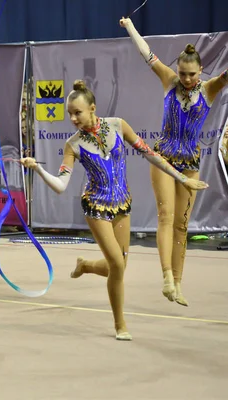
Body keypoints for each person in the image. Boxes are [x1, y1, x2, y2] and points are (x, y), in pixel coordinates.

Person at [21, 80, 208, 340]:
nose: (73, 118)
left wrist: (182, 178)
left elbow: (150, 154)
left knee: (117, 267)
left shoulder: (118, 126)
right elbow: (61, 185)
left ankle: (85, 265)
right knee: (117, 265)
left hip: (122, 204)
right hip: (96, 206)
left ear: (93, 109)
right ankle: (120, 324)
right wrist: (39, 169)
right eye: (70, 114)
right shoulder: (72, 145)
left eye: (78, 112)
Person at [120, 17, 228, 305]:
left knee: (182, 225)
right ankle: (166, 276)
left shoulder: (210, 89)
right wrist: (131, 26)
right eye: (183, 73)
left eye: (192, 74)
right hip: (164, 158)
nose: (187, 79)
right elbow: (147, 54)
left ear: (201, 70)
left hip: (190, 162)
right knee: (166, 216)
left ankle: (178, 285)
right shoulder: (169, 80)